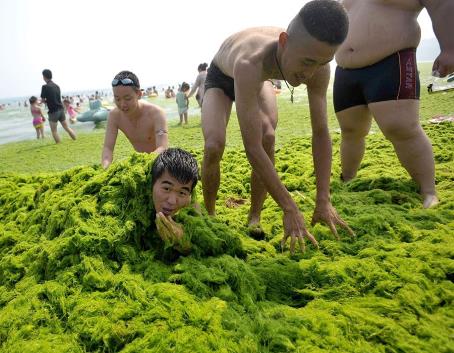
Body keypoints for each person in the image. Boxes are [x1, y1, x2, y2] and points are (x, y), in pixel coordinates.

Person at [201, 0, 354, 254]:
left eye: (322, 62)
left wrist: (323, 200)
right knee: (214, 144)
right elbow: (250, 148)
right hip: (224, 76)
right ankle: (209, 213)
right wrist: (289, 207)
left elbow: (321, 132)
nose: (310, 72)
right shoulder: (251, 61)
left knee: (268, 136)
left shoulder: (318, 68)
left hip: (262, 77)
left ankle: (254, 218)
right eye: (306, 62)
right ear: (284, 41)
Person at [334, 0, 454, 209]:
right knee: (350, 130)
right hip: (345, 69)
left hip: (392, 58)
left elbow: (442, 4)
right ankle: (347, 179)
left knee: (401, 128)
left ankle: (428, 191)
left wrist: (450, 48)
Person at [101, 70, 168, 169]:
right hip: (140, 163)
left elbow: (163, 147)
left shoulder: (156, 113)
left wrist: (143, 165)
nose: (122, 104)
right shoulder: (114, 116)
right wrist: (105, 167)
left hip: (160, 163)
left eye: (127, 98)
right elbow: (108, 148)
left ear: (139, 94)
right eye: (117, 99)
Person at [40, 69, 77, 143]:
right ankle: (75, 139)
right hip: (61, 110)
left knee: (54, 131)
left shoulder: (45, 87)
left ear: (44, 77)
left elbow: (43, 100)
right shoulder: (57, 86)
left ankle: (59, 145)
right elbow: (56, 98)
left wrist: (40, 102)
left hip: (53, 111)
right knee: (66, 127)